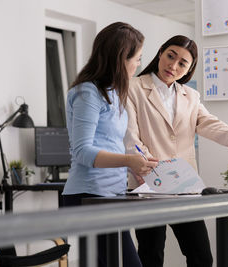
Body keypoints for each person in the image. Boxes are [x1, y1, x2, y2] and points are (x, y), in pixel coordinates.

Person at [124, 35, 228, 267]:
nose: (173, 66)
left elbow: (209, 123)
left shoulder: (191, 96)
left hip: (183, 187)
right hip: (148, 186)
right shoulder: (133, 87)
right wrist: (152, 169)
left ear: (188, 69)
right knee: (151, 255)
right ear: (160, 53)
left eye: (182, 63)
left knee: (201, 255)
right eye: (170, 56)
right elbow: (130, 137)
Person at [63, 22, 158, 267]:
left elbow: (110, 144)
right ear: (120, 58)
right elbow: (83, 151)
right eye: (136, 58)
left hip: (110, 194)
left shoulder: (113, 93)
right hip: (90, 194)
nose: (138, 64)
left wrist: (136, 166)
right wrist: (128, 161)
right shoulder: (88, 93)